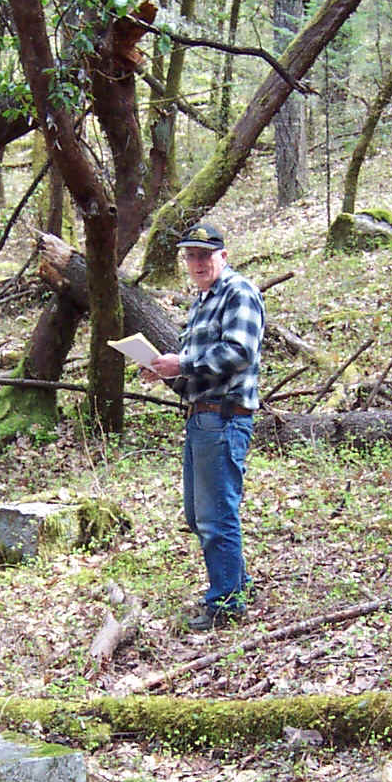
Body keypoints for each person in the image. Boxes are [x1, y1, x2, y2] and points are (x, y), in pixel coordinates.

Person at [142, 222, 265, 632]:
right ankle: (235, 583)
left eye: (204, 255)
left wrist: (184, 363)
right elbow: (197, 368)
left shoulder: (238, 292)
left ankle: (227, 604)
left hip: (225, 417)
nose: (197, 263)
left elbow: (239, 351)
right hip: (201, 417)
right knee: (198, 516)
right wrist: (163, 370)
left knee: (217, 516)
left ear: (223, 257)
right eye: (190, 256)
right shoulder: (202, 302)